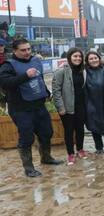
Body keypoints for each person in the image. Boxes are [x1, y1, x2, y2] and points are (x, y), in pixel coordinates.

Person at [0, 39, 62, 177]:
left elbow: (39, 79)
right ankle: (29, 168)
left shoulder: (36, 61)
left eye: (28, 49)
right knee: (26, 137)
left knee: (47, 132)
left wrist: (46, 92)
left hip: (39, 105)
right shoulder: (8, 65)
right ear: (15, 51)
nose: (27, 52)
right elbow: (5, 83)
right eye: (23, 50)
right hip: (20, 108)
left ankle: (46, 158)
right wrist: (25, 76)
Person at [52, 47, 88, 165]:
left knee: (80, 129)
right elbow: (56, 91)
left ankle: (80, 149)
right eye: (75, 56)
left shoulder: (82, 70)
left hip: (80, 105)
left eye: (79, 56)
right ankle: (70, 154)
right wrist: (60, 107)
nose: (77, 58)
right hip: (67, 107)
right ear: (69, 58)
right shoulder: (61, 71)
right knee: (69, 130)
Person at [84, 51, 104, 155]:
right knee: (94, 126)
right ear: (87, 61)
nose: (94, 60)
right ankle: (99, 147)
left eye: (95, 58)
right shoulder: (85, 73)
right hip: (91, 103)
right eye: (91, 59)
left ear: (99, 58)